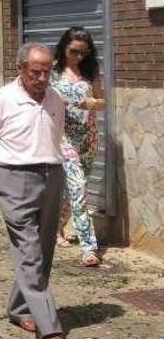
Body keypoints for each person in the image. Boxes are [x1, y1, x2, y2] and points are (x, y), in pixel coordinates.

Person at [0, 42, 68, 339]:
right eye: (35, 72)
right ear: (19, 69)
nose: (42, 78)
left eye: (47, 72)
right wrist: (6, 172)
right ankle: (49, 327)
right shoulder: (2, 99)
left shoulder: (56, 99)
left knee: (42, 249)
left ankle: (19, 308)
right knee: (29, 251)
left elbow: (55, 139)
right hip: (15, 178)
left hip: (51, 176)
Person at [51, 27, 104, 267]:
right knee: (79, 188)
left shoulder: (90, 71)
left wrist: (93, 102)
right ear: (64, 48)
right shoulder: (53, 72)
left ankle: (56, 229)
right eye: (74, 51)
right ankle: (89, 248)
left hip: (89, 139)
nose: (79, 57)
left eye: (84, 52)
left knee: (71, 191)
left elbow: (103, 101)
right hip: (64, 138)